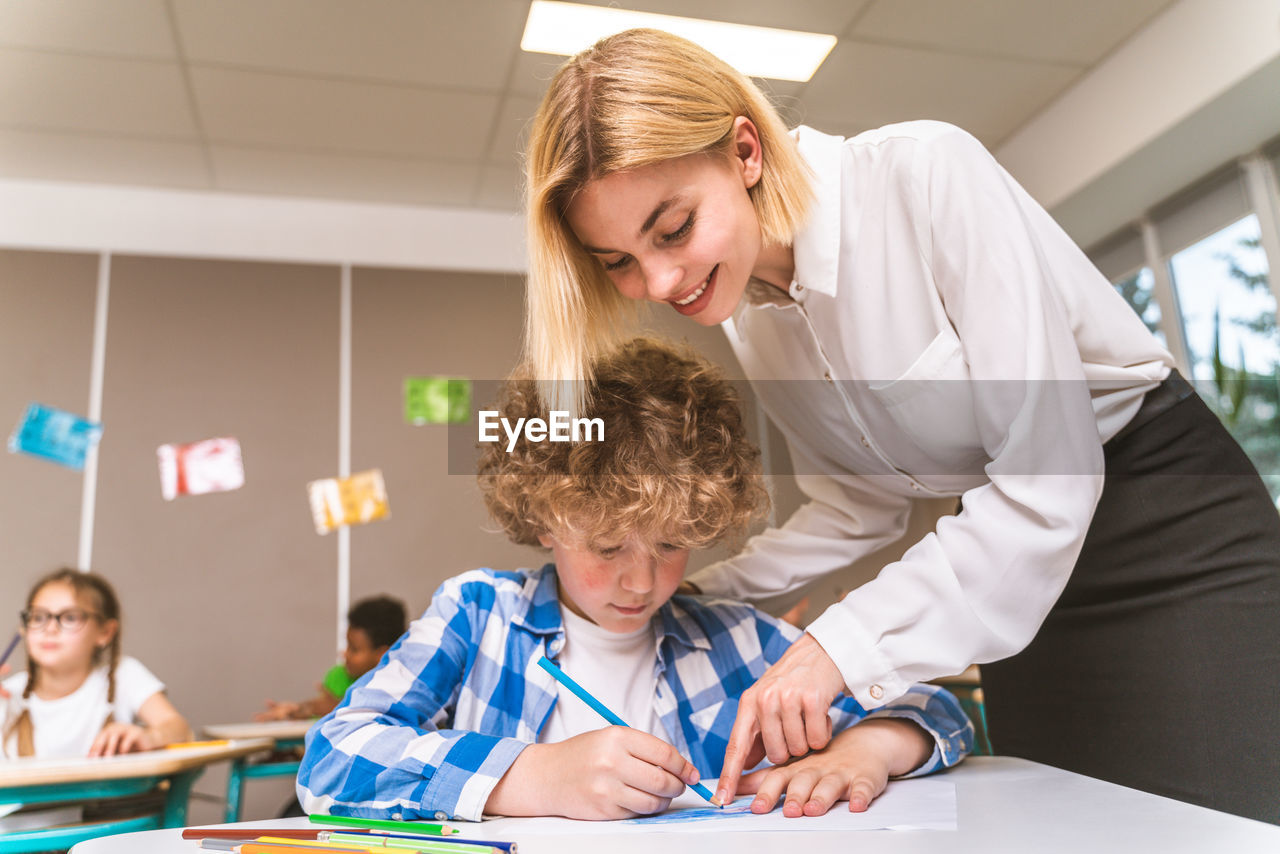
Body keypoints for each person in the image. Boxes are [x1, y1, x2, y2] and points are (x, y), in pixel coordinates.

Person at [519, 28, 1280, 823]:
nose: (660, 281)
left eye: (673, 229)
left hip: (1167, 521)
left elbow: (1048, 477)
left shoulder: (925, 177)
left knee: (1225, 822)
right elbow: (859, 504)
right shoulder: (752, 315)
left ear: (745, 151)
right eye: (618, 262)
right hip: (1011, 574)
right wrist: (695, 595)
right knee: (1065, 826)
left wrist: (839, 647)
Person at [296, 338, 972, 821]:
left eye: (673, 544)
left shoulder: (731, 638)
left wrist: (867, 749)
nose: (642, 581)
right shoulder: (478, 615)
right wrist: (530, 776)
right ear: (542, 519)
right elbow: (331, 758)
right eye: (609, 544)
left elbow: (934, 712)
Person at [1, 568, 191, 758]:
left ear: (105, 632)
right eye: (38, 617)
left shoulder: (123, 675)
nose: (50, 628)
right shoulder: (8, 693)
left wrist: (149, 737)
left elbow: (179, 730)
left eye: (70, 617)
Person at [256, 595, 407, 721]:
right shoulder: (338, 676)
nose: (345, 654)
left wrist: (332, 706)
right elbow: (319, 724)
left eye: (354, 649)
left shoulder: (402, 683)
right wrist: (298, 711)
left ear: (382, 653)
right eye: (347, 645)